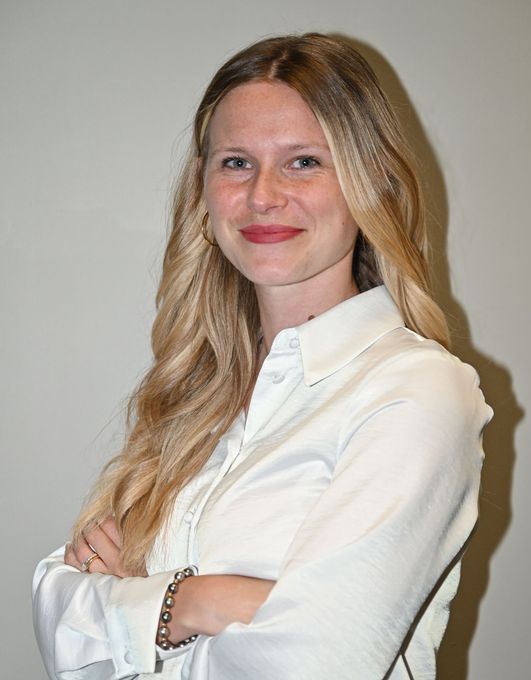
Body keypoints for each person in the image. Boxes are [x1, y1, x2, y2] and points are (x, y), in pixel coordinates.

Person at [32, 33, 492, 680]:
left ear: (372, 182)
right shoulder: (194, 395)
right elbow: (53, 609)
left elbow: (314, 664)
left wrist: (145, 610)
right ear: (204, 188)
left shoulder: (417, 392)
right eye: (236, 163)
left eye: (304, 161)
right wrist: (201, 603)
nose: (263, 195)